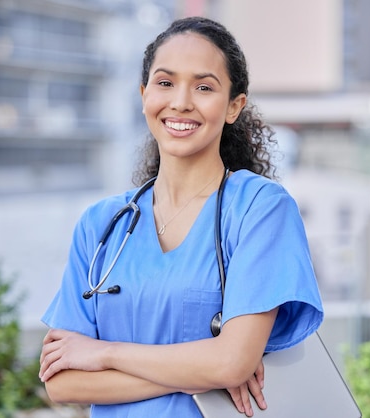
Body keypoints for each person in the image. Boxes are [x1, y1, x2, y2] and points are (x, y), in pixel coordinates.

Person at [38, 16, 323, 418]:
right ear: (143, 95)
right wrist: (202, 369)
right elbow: (63, 382)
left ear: (233, 106)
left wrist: (104, 353)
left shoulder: (260, 209)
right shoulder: (102, 224)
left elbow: (232, 364)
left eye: (204, 87)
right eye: (165, 82)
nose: (181, 101)